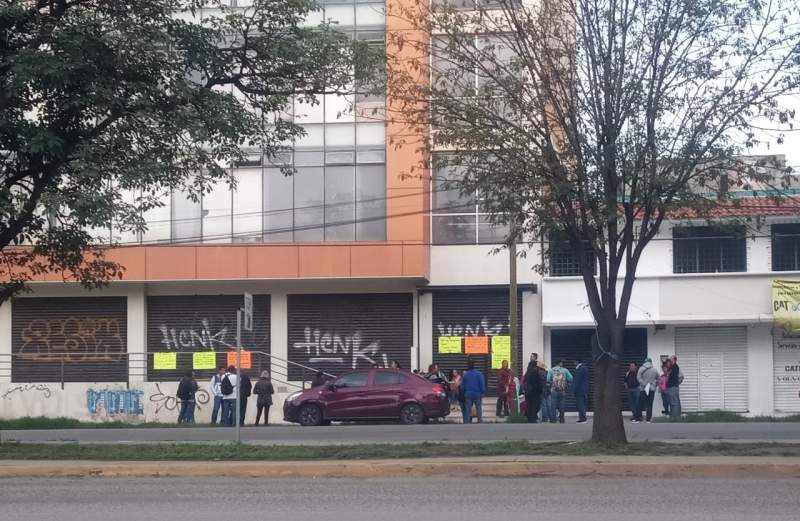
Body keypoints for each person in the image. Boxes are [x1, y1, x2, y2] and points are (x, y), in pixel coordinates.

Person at [460, 359, 486, 424]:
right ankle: (479, 420)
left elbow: (462, 387)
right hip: (477, 394)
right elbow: (482, 384)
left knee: (468, 408)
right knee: (478, 407)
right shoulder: (479, 374)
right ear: (474, 366)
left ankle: (467, 421)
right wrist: (483, 391)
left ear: (468, 366)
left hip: (468, 394)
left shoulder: (466, 375)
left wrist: (464, 391)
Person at [637, 357, 659, 423]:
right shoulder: (655, 370)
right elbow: (659, 379)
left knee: (640, 403)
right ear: (651, 362)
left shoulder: (641, 368)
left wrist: (643, 384)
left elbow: (638, 378)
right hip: (651, 389)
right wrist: (655, 385)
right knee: (649, 404)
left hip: (643, 389)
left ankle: (638, 418)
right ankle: (648, 419)